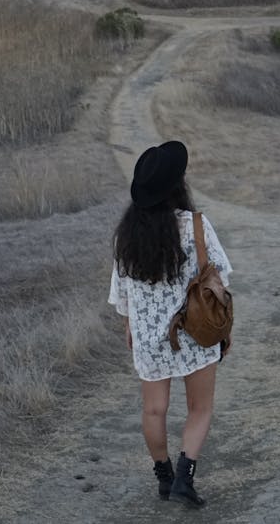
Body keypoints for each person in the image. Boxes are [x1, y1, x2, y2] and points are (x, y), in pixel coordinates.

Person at [108, 140, 233, 508]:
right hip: (195, 331)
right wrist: (225, 331)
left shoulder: (126, 233)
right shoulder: (195, 225)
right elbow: (219, 279)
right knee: (200, 408)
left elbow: (122, 287)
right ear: (178, 185)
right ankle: (184, 477)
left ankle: (164, 479)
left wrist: (131, 323)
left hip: (148, 336)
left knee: (153, 410)